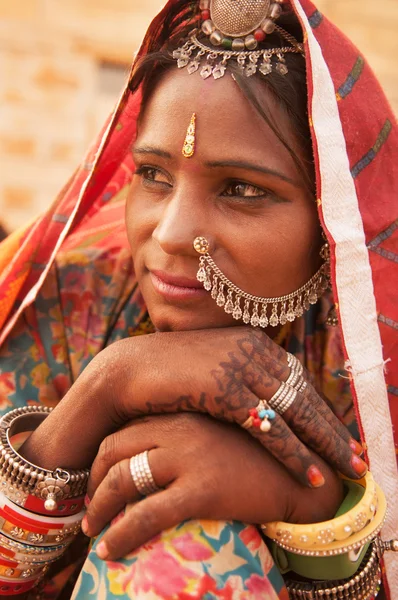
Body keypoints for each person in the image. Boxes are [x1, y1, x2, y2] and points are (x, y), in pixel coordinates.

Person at [0, 0, 396, 598]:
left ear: (330, 220)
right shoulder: (74, 292)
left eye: (241, 189)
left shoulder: (375, 362)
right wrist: (107, 385)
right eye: (153, 175)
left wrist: (310, 499)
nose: (169, 234)